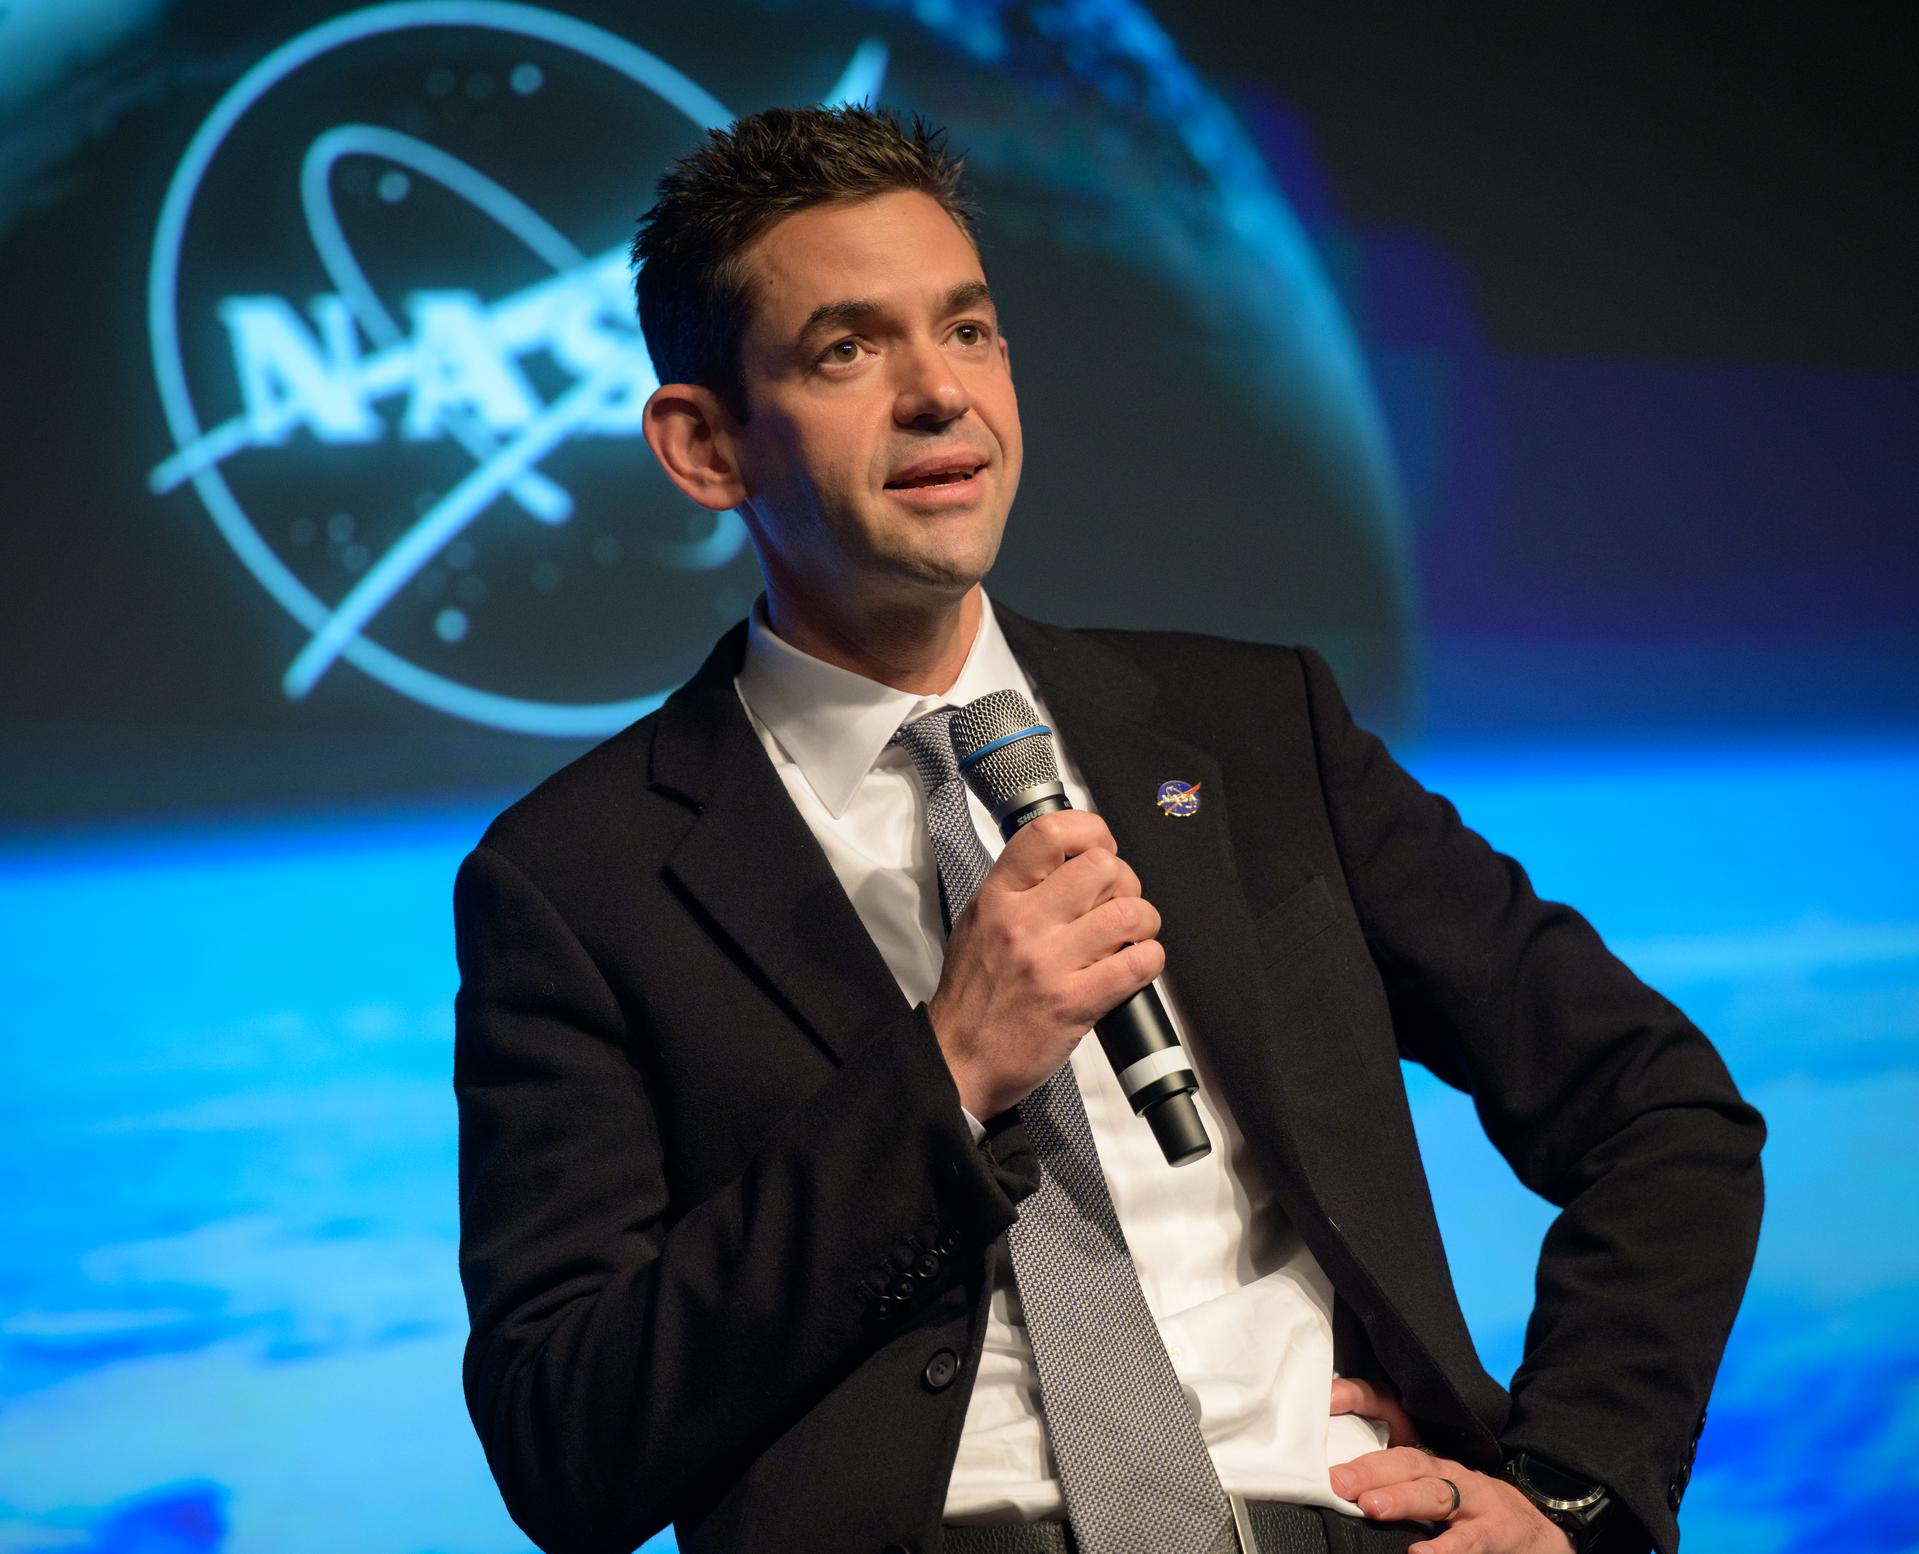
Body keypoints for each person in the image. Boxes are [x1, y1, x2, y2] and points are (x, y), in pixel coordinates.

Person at [453, 106, 1764, 1554]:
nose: (940, 394)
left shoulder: (1255, 734)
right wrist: (948, 1071)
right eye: (847, 350)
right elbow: (566, 1439)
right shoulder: (580, 877)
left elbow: (1663, 1113)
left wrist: (1571, 1489)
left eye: (968, 330)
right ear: (703, 446)